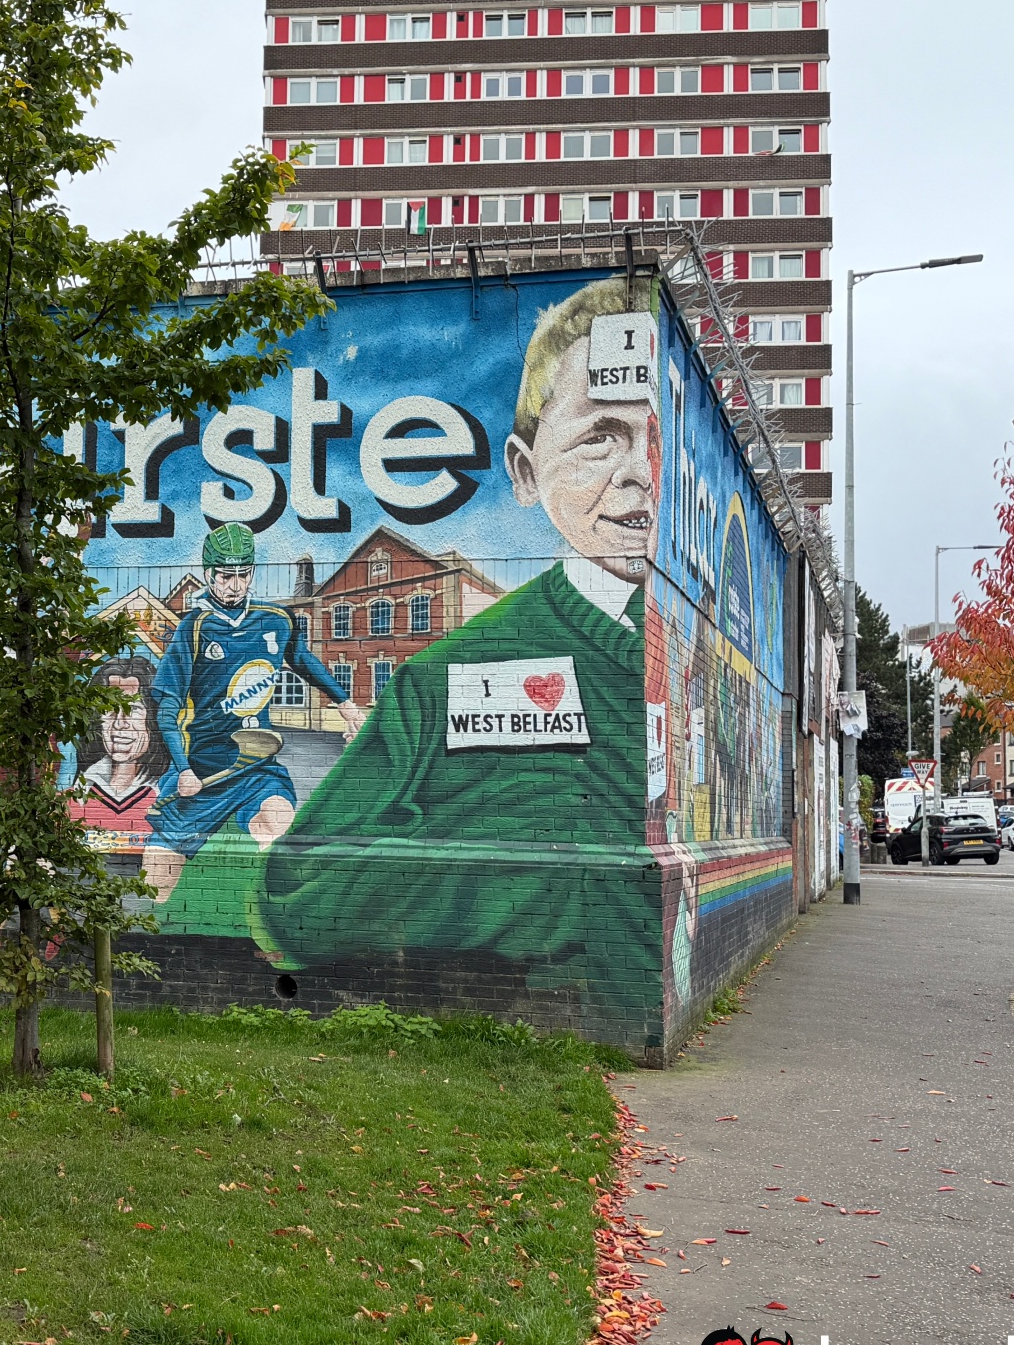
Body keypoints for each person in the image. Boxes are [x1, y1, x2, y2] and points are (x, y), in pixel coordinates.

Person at [252, 277, 663, 1011]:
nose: (639, 471)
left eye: (660, 439)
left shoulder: (711, 666)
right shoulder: (444, 678)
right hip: (538, 1033)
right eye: (600, 437)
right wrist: (513, 869)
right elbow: (296, 890)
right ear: (526, 472)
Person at [145, 523, 364, 899]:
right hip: (200, 770)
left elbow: (301, 659)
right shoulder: (193, 629)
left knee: (277, 826)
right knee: (156, 885)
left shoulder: (275, 619)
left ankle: (274, 919)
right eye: (225, 576)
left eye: (243, 575)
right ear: (209, 574)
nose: (235, 585)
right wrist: (183, 770)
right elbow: (167, 710)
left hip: (255, 767)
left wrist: (346, 705)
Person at [68, 656, 170, 852]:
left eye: (133, 709)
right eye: (109, 708)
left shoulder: (170, 800)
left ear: (154, 719)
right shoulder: (69, 801)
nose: (119, 723)